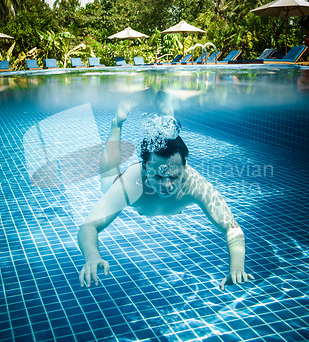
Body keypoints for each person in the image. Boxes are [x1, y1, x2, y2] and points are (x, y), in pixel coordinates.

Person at [78, 101, 254, 290]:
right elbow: (89, 227)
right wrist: (92, 256)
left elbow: (232, 228)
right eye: (159, 176)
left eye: (174, 176)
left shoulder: (194, 183)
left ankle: (166, 115)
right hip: (130, 188)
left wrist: (236, 267)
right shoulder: (132, 183)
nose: (167, 185)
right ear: (146, 169)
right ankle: (117, 123)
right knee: (108, 178)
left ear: (184, 167)